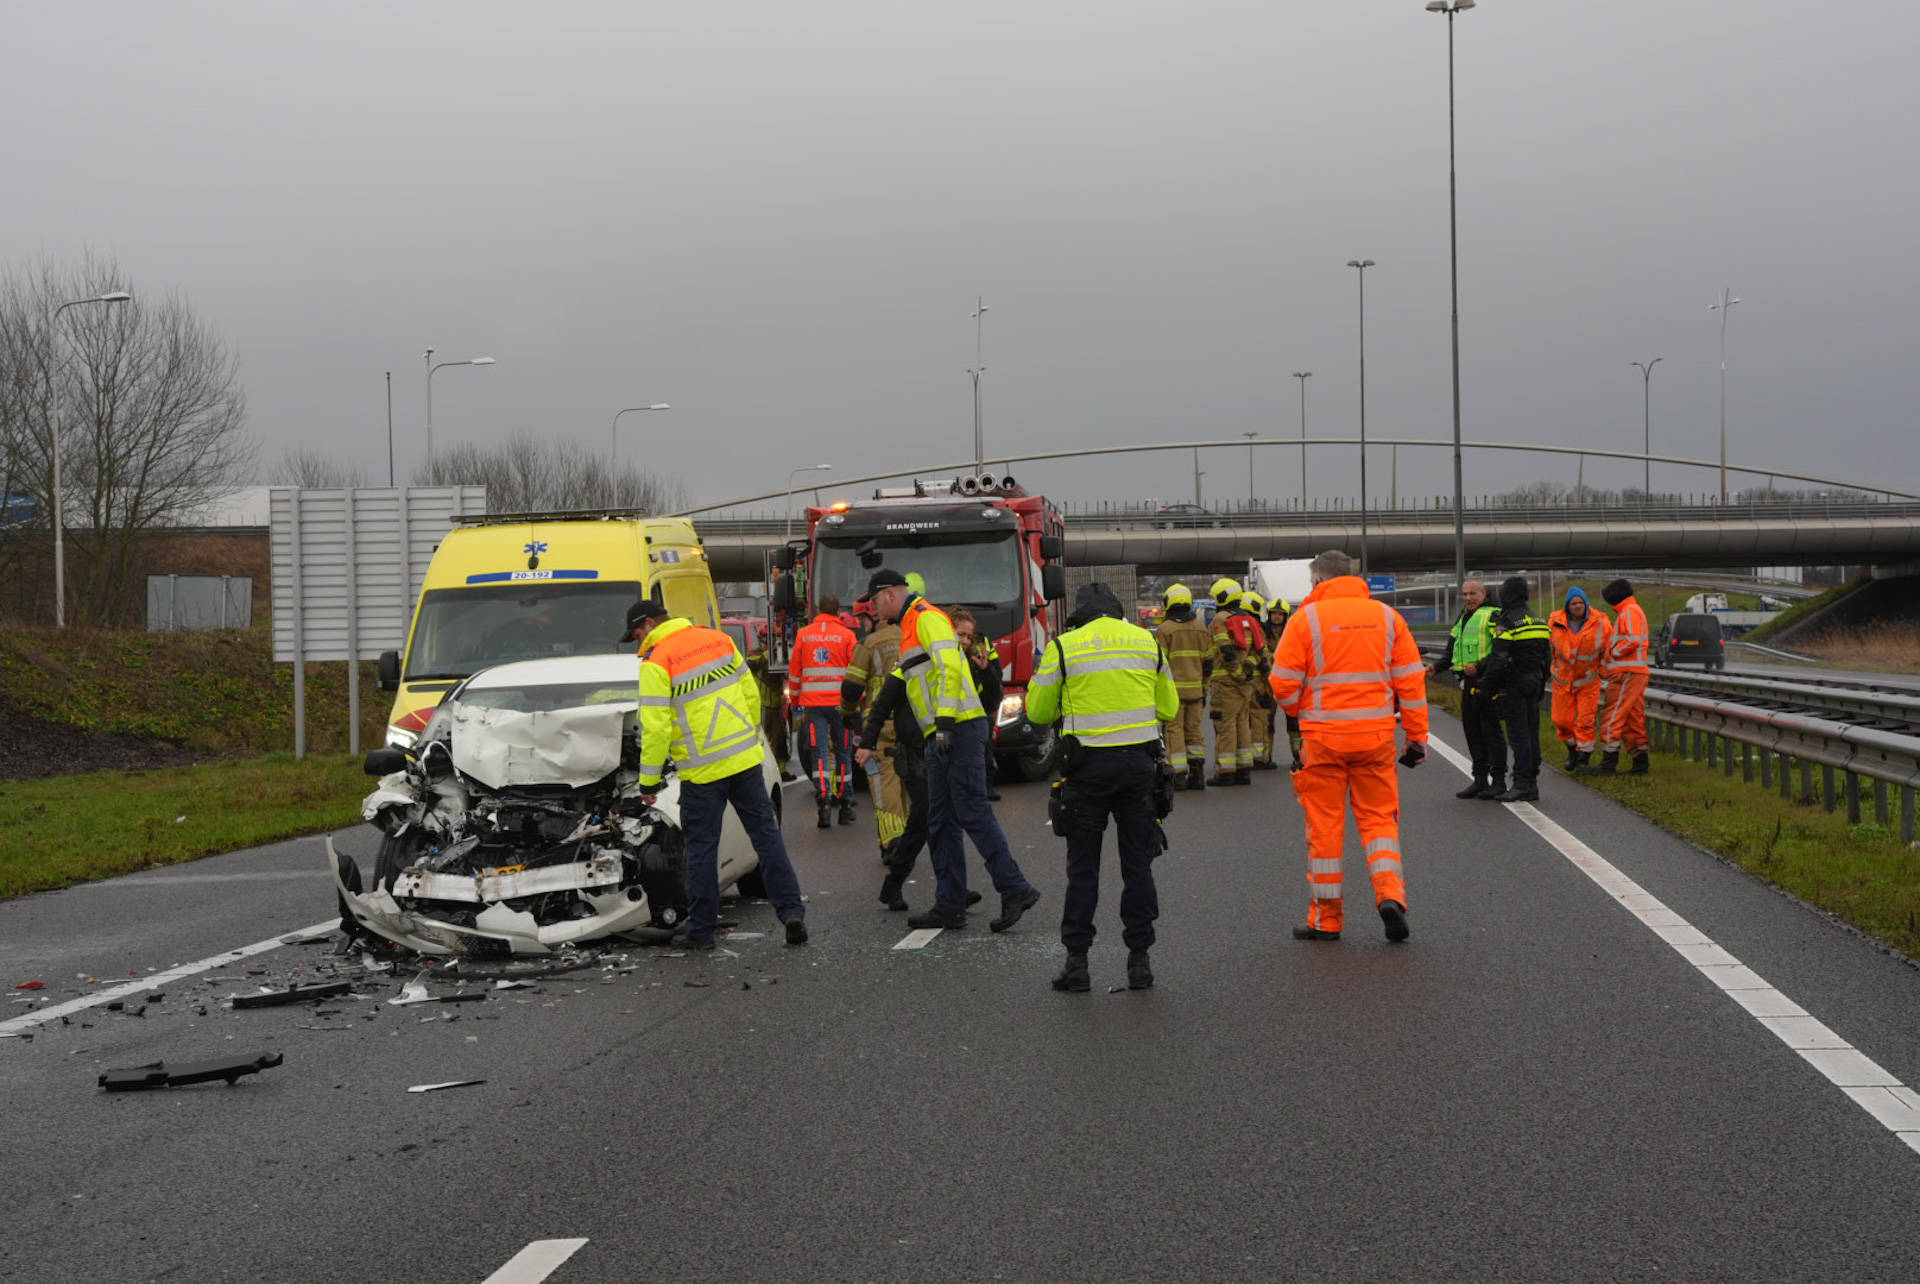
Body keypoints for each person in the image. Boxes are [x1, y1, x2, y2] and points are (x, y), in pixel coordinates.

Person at [858, 569, 1041, 931]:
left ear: (892, 594)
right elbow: (894, 687)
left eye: (875, 600)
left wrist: (943, 723)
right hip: (940, 733)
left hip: (958, 728)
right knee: (939, 821)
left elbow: (950, 669)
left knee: (972, 811)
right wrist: (868, 738)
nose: (873, 609)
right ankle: (950, 903)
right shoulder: (909, 628)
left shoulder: (927, 619)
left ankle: (1015, 888)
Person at [622, 600, 808, 949]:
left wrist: (648, 781)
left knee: (702, 849)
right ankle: (792, 912)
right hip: (743, 760)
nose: (637, 644)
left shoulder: (656, 661)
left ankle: (702, 932)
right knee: (767, 838)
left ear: (648, 624)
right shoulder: (717, 639)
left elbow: (656, 728)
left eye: (636, 635)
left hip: (702, 771)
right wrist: (748, 736)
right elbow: (749, 693)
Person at [1269, 549, 1427, 943]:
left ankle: (1326, 920)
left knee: (1324, 829)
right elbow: (1410, 682)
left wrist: (1304, 711)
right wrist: (1416, 737)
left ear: (1318, 582)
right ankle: (1390, 896)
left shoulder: (1305, 619)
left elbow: (1282, 684)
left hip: (1323, 741)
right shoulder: (1388, 618)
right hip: (1375, 740)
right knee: (1379, 823)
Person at [1027, 583, 1179, 992]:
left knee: (1083, 870)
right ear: (1117, 612)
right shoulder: (1146, 642)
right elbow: (1168, 708)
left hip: (1086, 769)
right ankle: (1139, 961)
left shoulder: (1065, 647)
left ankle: (1077, 964)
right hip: (1138, 768)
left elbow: (1038, 710)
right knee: (1138, 866)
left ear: (1081, 614)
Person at [1428, 578, 1505, 800]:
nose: (1468, 598)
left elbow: (1502, 650)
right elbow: (1453, 650)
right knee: (1472, 732)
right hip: (1467, 683)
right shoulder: (1463, 617)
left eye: (1473, 594)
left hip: (1488, 682)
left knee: (1491, 733)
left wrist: (1481, 667)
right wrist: (1438, 667)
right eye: (1465, 594)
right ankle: (1480, 779)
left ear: (1484, 594)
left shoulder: (1494, 615)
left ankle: (1498, 781)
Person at [789, 594, 859, 828]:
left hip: (813, 705)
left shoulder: (803, 635)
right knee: (843, 753)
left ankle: (824, 804)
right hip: (842, 706)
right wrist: (859, 702)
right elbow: (856, 673)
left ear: (819, 610)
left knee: (819, 753)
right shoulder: (847, 636)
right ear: (838, 610)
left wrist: (796, 699)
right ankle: (846, 804)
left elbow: (795, 671)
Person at [1480, 576, 1552, 803]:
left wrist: (1487, 685)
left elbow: (1499, 658)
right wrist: (1541, 682)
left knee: (1519, 735)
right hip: (1535, 681)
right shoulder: (1539, 620)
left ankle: (1521, 783)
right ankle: (1532, 784)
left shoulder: (1507, 621)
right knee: (1532, 733)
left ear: (1507, 594)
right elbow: (1547, 658)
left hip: (1514, 684)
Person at [843, 604, 906, 861]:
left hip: (881, 725)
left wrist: (847, 713)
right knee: (907, 783)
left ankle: (892, 842)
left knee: (884, 783)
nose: (861, 624)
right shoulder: (907, 636)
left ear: (875, 617)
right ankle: (909, 838)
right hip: (911, 722)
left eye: (862, 619)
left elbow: (852, 687)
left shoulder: (870, 644)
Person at [1585, 578, 1651, 776]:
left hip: (1627, 673)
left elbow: (1633, 639)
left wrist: (1613, 653)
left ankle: (1609, 761)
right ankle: (1640, 762)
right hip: (1633, 672)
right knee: (1633, 719)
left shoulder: (1629, 611)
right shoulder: (1630, 610)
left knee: (1613, 715)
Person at [1153, 583, 1214, 790]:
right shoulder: (1201, 628)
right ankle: (1197, 775)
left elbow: (1158, 664)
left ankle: (1178, 776)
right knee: (1194, 731)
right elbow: (1208, 663)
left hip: (1173, 693)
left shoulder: (1165, 629)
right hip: (1196, 691)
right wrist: (1204, 688)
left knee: (1174, 731)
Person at [1205, 579, 1264, 786]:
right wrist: (1247, 670)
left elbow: (1225, 649)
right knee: (1241, 724)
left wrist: (1237, 672)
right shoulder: (1250, 619)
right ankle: (1244, 770)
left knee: (1225, 726)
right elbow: (1260, 650)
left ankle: (1226, 771)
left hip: (1226, 683)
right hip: (1246, 684)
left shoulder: (1220, 619)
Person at [1548, 585, 1611, 772]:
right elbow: (1548, 648)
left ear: (1586, 604)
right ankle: (1572, 751)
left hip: (1588, 681)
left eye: (1580, 602)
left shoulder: (1600, 621)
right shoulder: (1555, 621)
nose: (1577, 606)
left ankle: (1584, 759)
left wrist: (1604, 671)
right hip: (1562, 681)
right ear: (1567, 606)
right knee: (1561, 721)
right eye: (1574, 603)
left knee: (1585, 722)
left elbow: (1609, 649)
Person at [950, 607, 1005, 802]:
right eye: (961, 635)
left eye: (969, 636)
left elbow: (996, 680)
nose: (965, 640)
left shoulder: (981, 646)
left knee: (984, 752)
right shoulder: (943, 652)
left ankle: (985, 787)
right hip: (953, 715)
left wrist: (985, 668)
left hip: (980, 709)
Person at [743, 635, 795, 782]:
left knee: (781, 739)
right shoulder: (756, 655)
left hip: (776, 705)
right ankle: (764, 775)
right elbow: (750, 664)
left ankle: (782, 770)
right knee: (764, 741)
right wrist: (768, 654)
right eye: (766, 641)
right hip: (762, 705)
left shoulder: (776, 656)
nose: (768, 644)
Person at [1262, 596, 1303, 771]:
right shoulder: (1261, 632)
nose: (1277, 617)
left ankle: (1299, 757)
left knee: (1294, 725)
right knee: (1267, 722)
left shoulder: (1292, 632)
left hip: (1289, 686)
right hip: (1267, 685)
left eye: (1280, 614)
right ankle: (1265, 758)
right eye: (1274, 614)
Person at [1239, 591, 1274, 771]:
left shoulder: (1234, 625)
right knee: (1260, 719)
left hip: (1241, 683)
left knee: (1244, 720)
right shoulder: (1256, 628)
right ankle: (1259, 757)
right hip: (1259, 684)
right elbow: (1262, 655)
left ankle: (1246, 757)